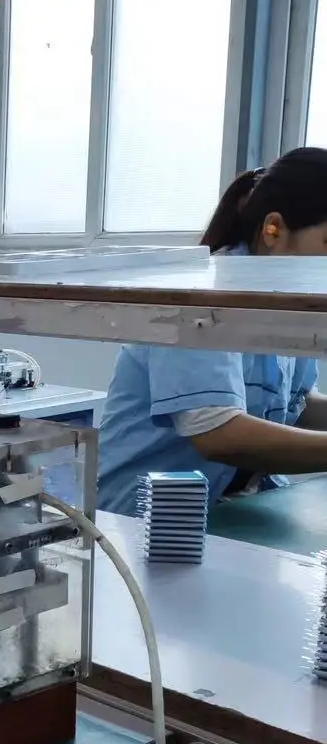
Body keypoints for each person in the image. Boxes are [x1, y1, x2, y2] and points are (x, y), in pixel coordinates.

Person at [96, 147, 327, 516]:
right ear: (273, 229)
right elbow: (218, 434)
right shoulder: (198, 296)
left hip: (235, 508)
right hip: (148, 521)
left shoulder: (289, 302)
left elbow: (296, 405)